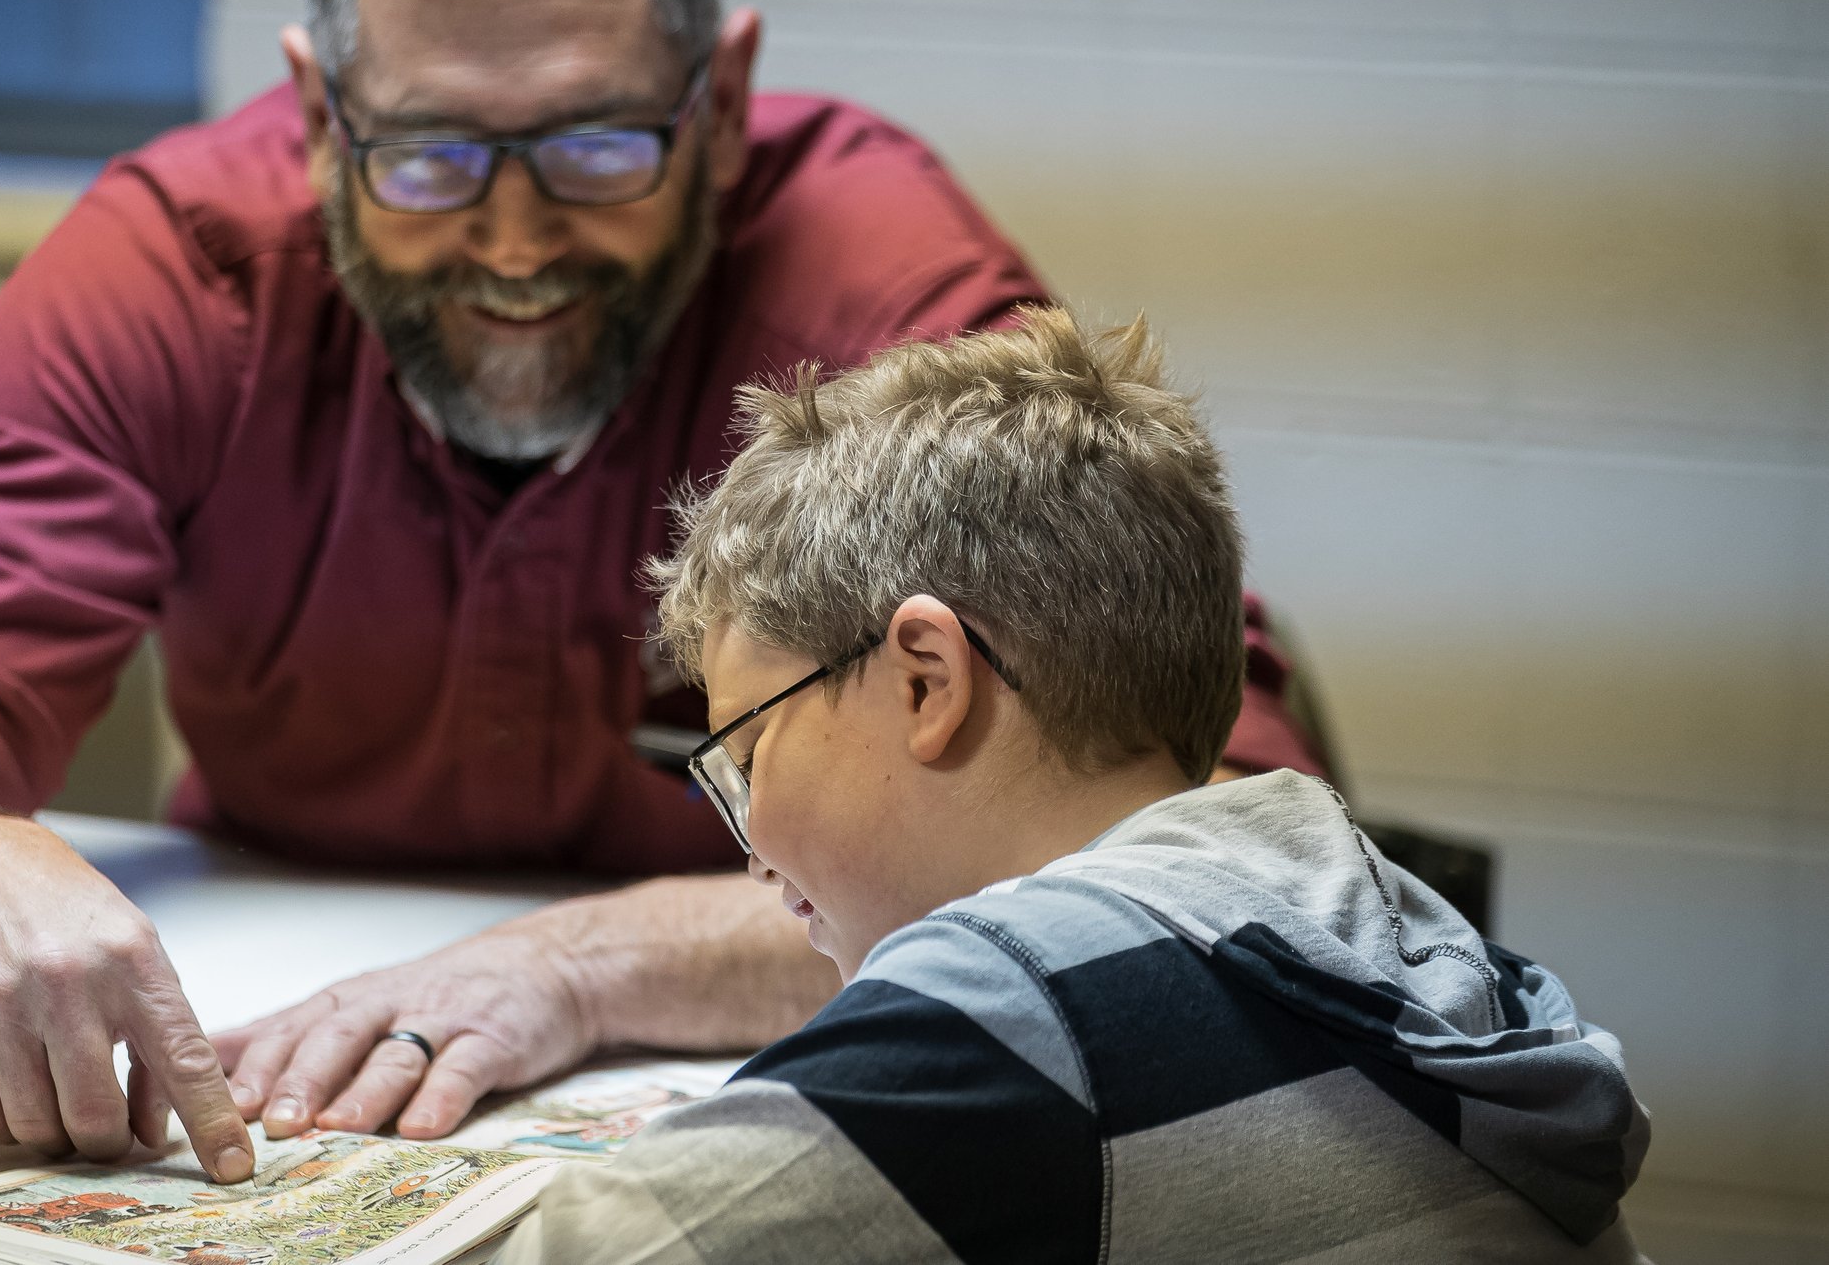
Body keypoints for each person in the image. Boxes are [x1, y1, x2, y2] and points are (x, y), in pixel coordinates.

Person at [0, 0, 1327, 1184]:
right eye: (425, 156)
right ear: (318, 111)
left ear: (723, 96)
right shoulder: (176, 273)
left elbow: (1205, 837)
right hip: (292, 1070)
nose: (515, 241)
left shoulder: (879, 284)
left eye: (597, 145)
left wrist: (582, 967)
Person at [495, 309, 1650, 1263]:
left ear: (925, 680)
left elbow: (606, 1243)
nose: (750, 849)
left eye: (746, 757)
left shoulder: (1028, 994)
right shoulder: (1357, 903)